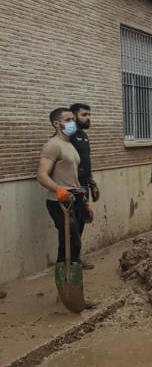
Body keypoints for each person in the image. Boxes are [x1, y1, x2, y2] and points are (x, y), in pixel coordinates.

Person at [36, 108, 83, 267]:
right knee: (69, 241)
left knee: (74, 240)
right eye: (68, 120)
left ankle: (73, 272)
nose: (73, 123)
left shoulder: (68, 144)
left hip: (73, 198)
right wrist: (59, 190)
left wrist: (81, 196)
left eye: (73, 120)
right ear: (57, 124)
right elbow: (42, 175)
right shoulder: (53, 145)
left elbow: (71, 174)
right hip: (59, 201)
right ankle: (64, 277)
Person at [69, 103, 99, 269]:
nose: (88, 118)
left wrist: (92, 183)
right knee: (72, 226)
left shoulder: (83, 136)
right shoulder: (70, 136)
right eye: (84, 115)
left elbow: (86, 162)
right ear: (74, 116)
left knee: (81, 222)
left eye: (89, 114)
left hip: (84, 184)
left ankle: (77, 259)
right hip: (74, 187)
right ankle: (70, 262)